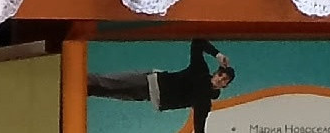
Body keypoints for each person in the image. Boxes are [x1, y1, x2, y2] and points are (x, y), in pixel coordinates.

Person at [88, 39, 234, 132]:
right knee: (111, 81)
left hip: (153, 97)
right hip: (150, 80)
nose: (220, 79)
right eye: (221, 75)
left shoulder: (204, 102)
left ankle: (86, 90)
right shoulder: (200, 70)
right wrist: (218, 55)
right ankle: (85, 79)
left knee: (113, 93)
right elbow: (197, 43)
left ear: (225, 86)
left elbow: (199, 125)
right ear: (216, 73)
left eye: (224, 80)